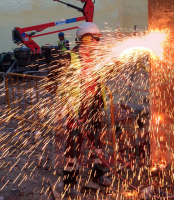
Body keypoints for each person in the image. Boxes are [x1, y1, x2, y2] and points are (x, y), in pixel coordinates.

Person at [48, 22, 111, 198]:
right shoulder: (69, 58)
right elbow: (51, 80)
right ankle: (70, 183)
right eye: (96, 38)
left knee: (97, 145)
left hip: (95, 107)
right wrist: (64, 98)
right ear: (85, 38)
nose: (98, 42)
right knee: (73, 148)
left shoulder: (98, 58)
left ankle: (98, 175)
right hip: (76, 110)